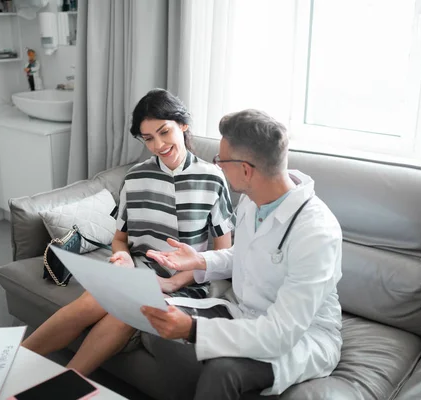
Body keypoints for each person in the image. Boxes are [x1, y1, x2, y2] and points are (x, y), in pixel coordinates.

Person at [21, 89, 235, 376]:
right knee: (91, 301)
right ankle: (10, 362)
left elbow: (223, 253)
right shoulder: (135, 178)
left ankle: (63, 384)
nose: (158, 145)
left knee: (126, 314)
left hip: (188, 282)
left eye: (164, 132)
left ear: (183, 125)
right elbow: (120, 239)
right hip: (138, 272)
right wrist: (121, 258)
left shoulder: (212, 177)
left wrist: (172, 283)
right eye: (148, 138)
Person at [141, 109, 343, 399]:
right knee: (158, 319)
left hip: (303, 337)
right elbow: (244, 255)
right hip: (247, 313)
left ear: (246, 170)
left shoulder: (316, 232)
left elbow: (280, 333)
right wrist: (198, 259)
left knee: (223, 371)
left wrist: (194, 330)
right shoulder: (253, 199)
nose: (219, 166)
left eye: (221, 160)